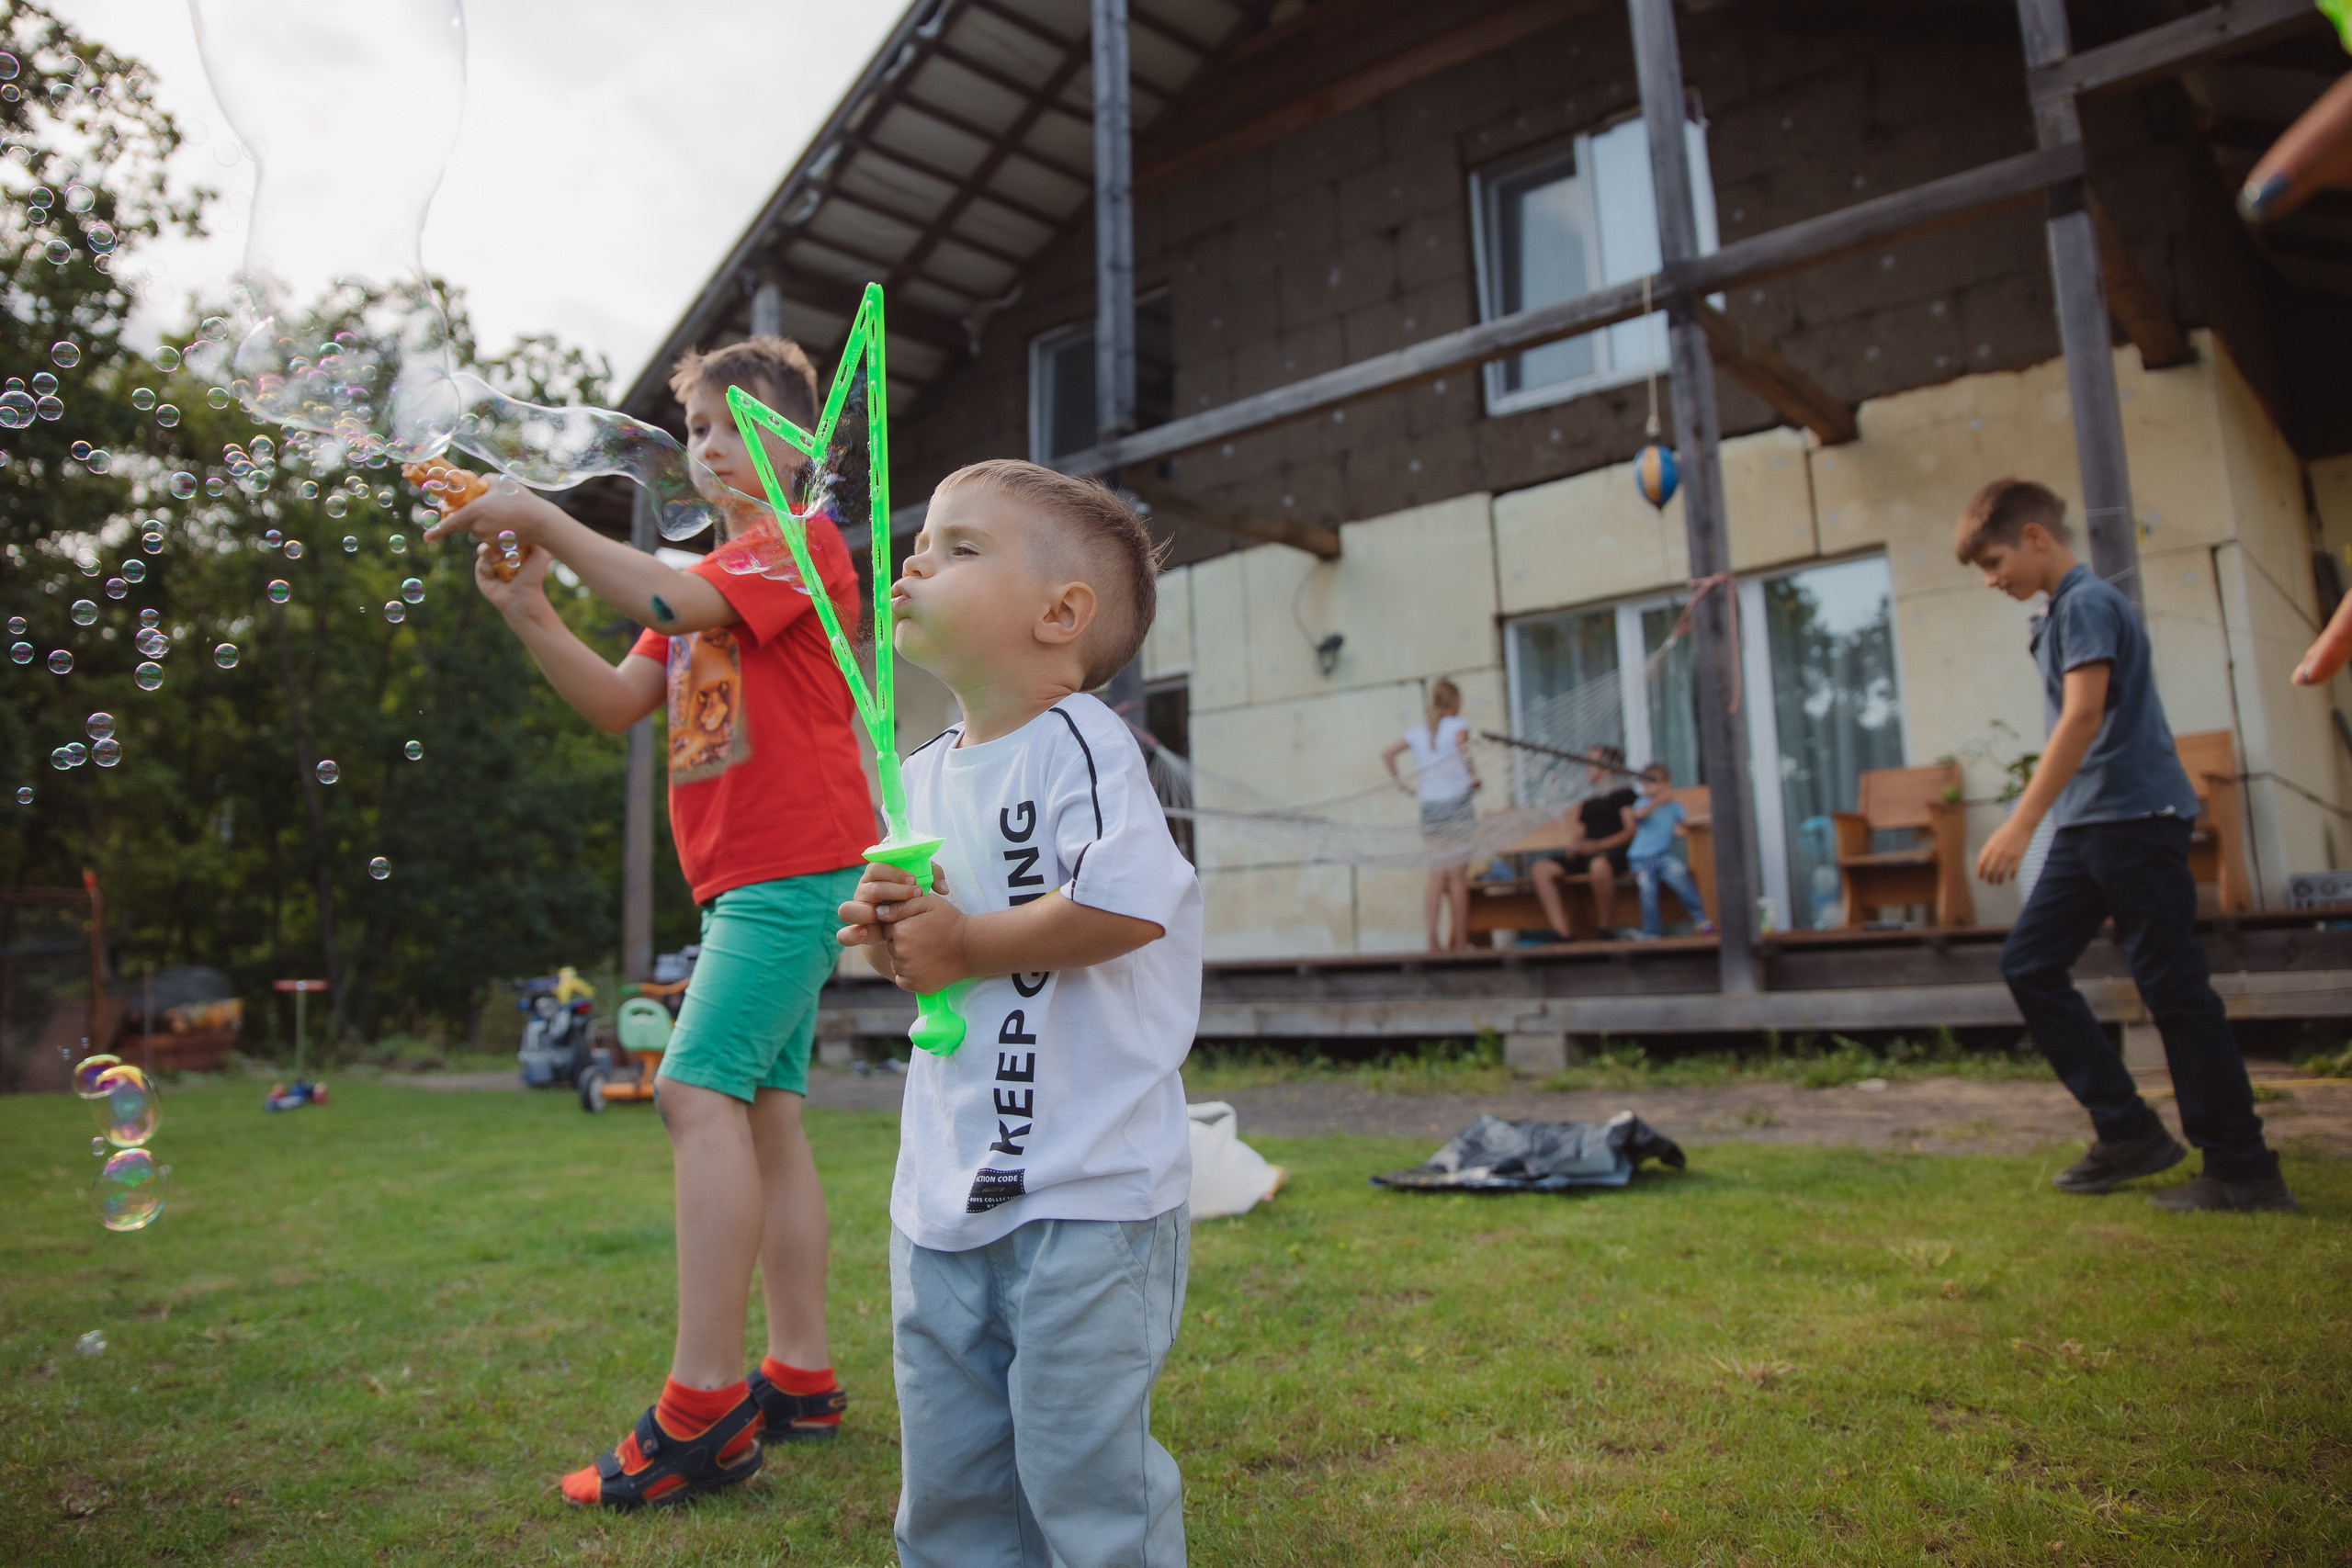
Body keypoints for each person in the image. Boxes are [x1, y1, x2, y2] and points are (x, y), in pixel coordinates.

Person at [424, 336, 871, 1506]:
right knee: (767, 1114)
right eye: (702, 429)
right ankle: (800, 1376)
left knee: (688, 1090)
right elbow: (620, 700)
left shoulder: (796, 550)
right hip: (750, 881)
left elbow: (669, 593)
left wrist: (548, 518)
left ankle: (703, 1410)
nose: (710, 446)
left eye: (731, 425)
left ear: (794, 450)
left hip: (792, 870)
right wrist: (528, 608)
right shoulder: (709, 584)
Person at [837, 458, 1201, 1567]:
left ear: (1060, 616)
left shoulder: (1079, 738)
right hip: (945, 1195)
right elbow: (937, 960)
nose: (914, 561)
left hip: (1085, 1195)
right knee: (949, 1489)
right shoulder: (920, 773)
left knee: (1083, 1483)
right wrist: (898, 934)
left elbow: (1131, 903)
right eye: (919, 543)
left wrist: (965, 941)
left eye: (959, 546)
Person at [1960, 478, 2293, 1212]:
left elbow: (2081, 718)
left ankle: (2243, 1168)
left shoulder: (2086, 604)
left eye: (1993, 562)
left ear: (2035, 537)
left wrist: (2018, 822)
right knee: (2030, 962)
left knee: (2172, 988)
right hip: (2093, 824)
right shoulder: (2059, 613)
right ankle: (2128, 1129)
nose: (1992, 581)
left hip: (2134, 818)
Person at [1383, 678, 1481, 952]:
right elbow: (1463, 749)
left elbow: (1387, 753)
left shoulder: (1418, 732)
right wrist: (1473, 775)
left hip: (1430, 807)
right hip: (1457, 803)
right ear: (1455, 702)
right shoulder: (1457, 726)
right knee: (1457, 877)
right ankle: (1460, 942)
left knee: (1437, 874)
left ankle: (1431, 941)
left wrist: (1401, 784)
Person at [1532, 744, 1637, 940]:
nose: (1587, 768)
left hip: (1611, 853)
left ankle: (1605, 929)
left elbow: (1630, 830)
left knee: (1599, 866)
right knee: (1541, 869)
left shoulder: (1623, 793)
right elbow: (1582, 829)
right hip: (1587, 853)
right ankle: (1563, 932)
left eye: (1591, 762)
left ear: (1607, 766)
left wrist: (1598, 846)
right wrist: (1575, 845)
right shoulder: (1589, 797)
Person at [1624, 763, 1713, 940]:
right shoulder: (1642, 803)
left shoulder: (1674, 806)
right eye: (1647, 784)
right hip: (1640, 859)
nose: (1651, 788)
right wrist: (1658, 801)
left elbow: (1686, 822)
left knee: (1680, 875)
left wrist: (1708, 821)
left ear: (1667, 784)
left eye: (1657, 783)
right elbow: (1639, 816)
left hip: (1663, 856)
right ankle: (1652, 933)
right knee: (1648, 891)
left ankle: (1701, 919)